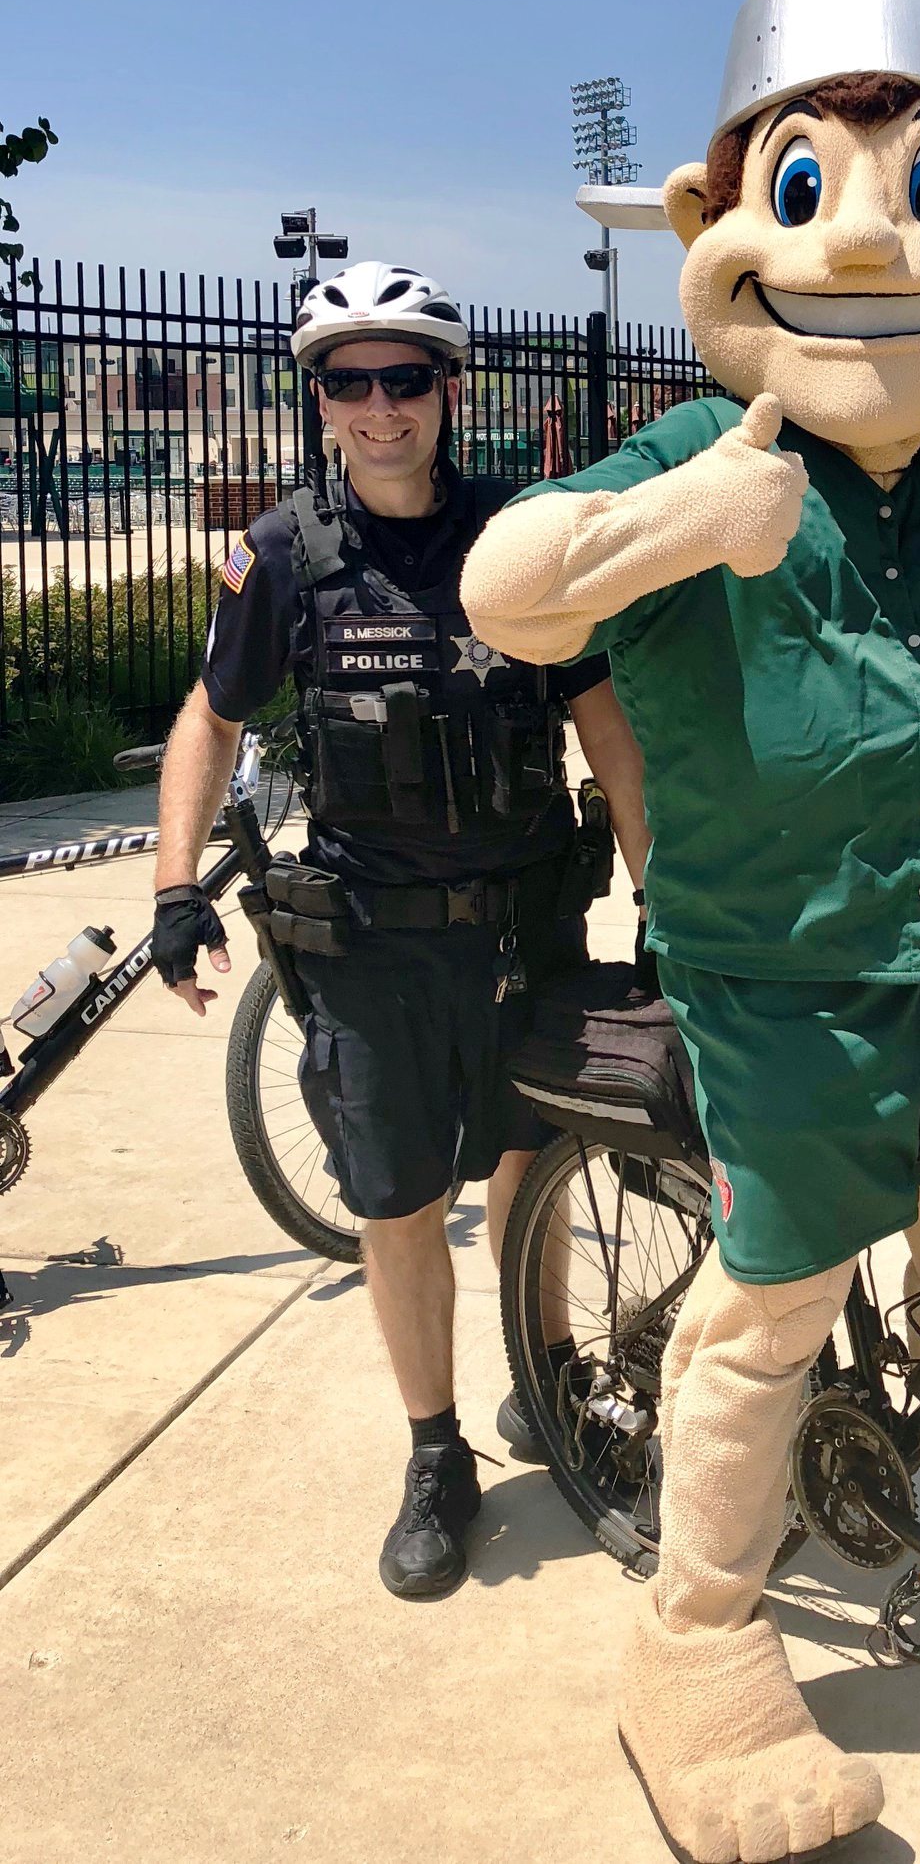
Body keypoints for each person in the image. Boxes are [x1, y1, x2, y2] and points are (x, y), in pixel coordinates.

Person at [460, 0, 920, 1864]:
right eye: (807, 186)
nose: (868, 241)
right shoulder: (709, 450)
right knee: (773, 1302)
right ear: (726, 219)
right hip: (764, 970)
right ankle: (695, 1632)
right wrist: (673, 527)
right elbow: (507, 588)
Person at [150, 260, 652, 1600]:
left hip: (527, 924)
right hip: (370, 947)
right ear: (318, 398)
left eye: (405, 379)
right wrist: (173, 888)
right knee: (400, 1201)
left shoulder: (519, 544)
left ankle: (546, 1386)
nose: (379, 410)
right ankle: (437, 1454)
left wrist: (662, 890)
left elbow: (603, 722)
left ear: (449, 388)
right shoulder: (279, 557)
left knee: (532, 1163)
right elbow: (212, 715)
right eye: (349, 382)